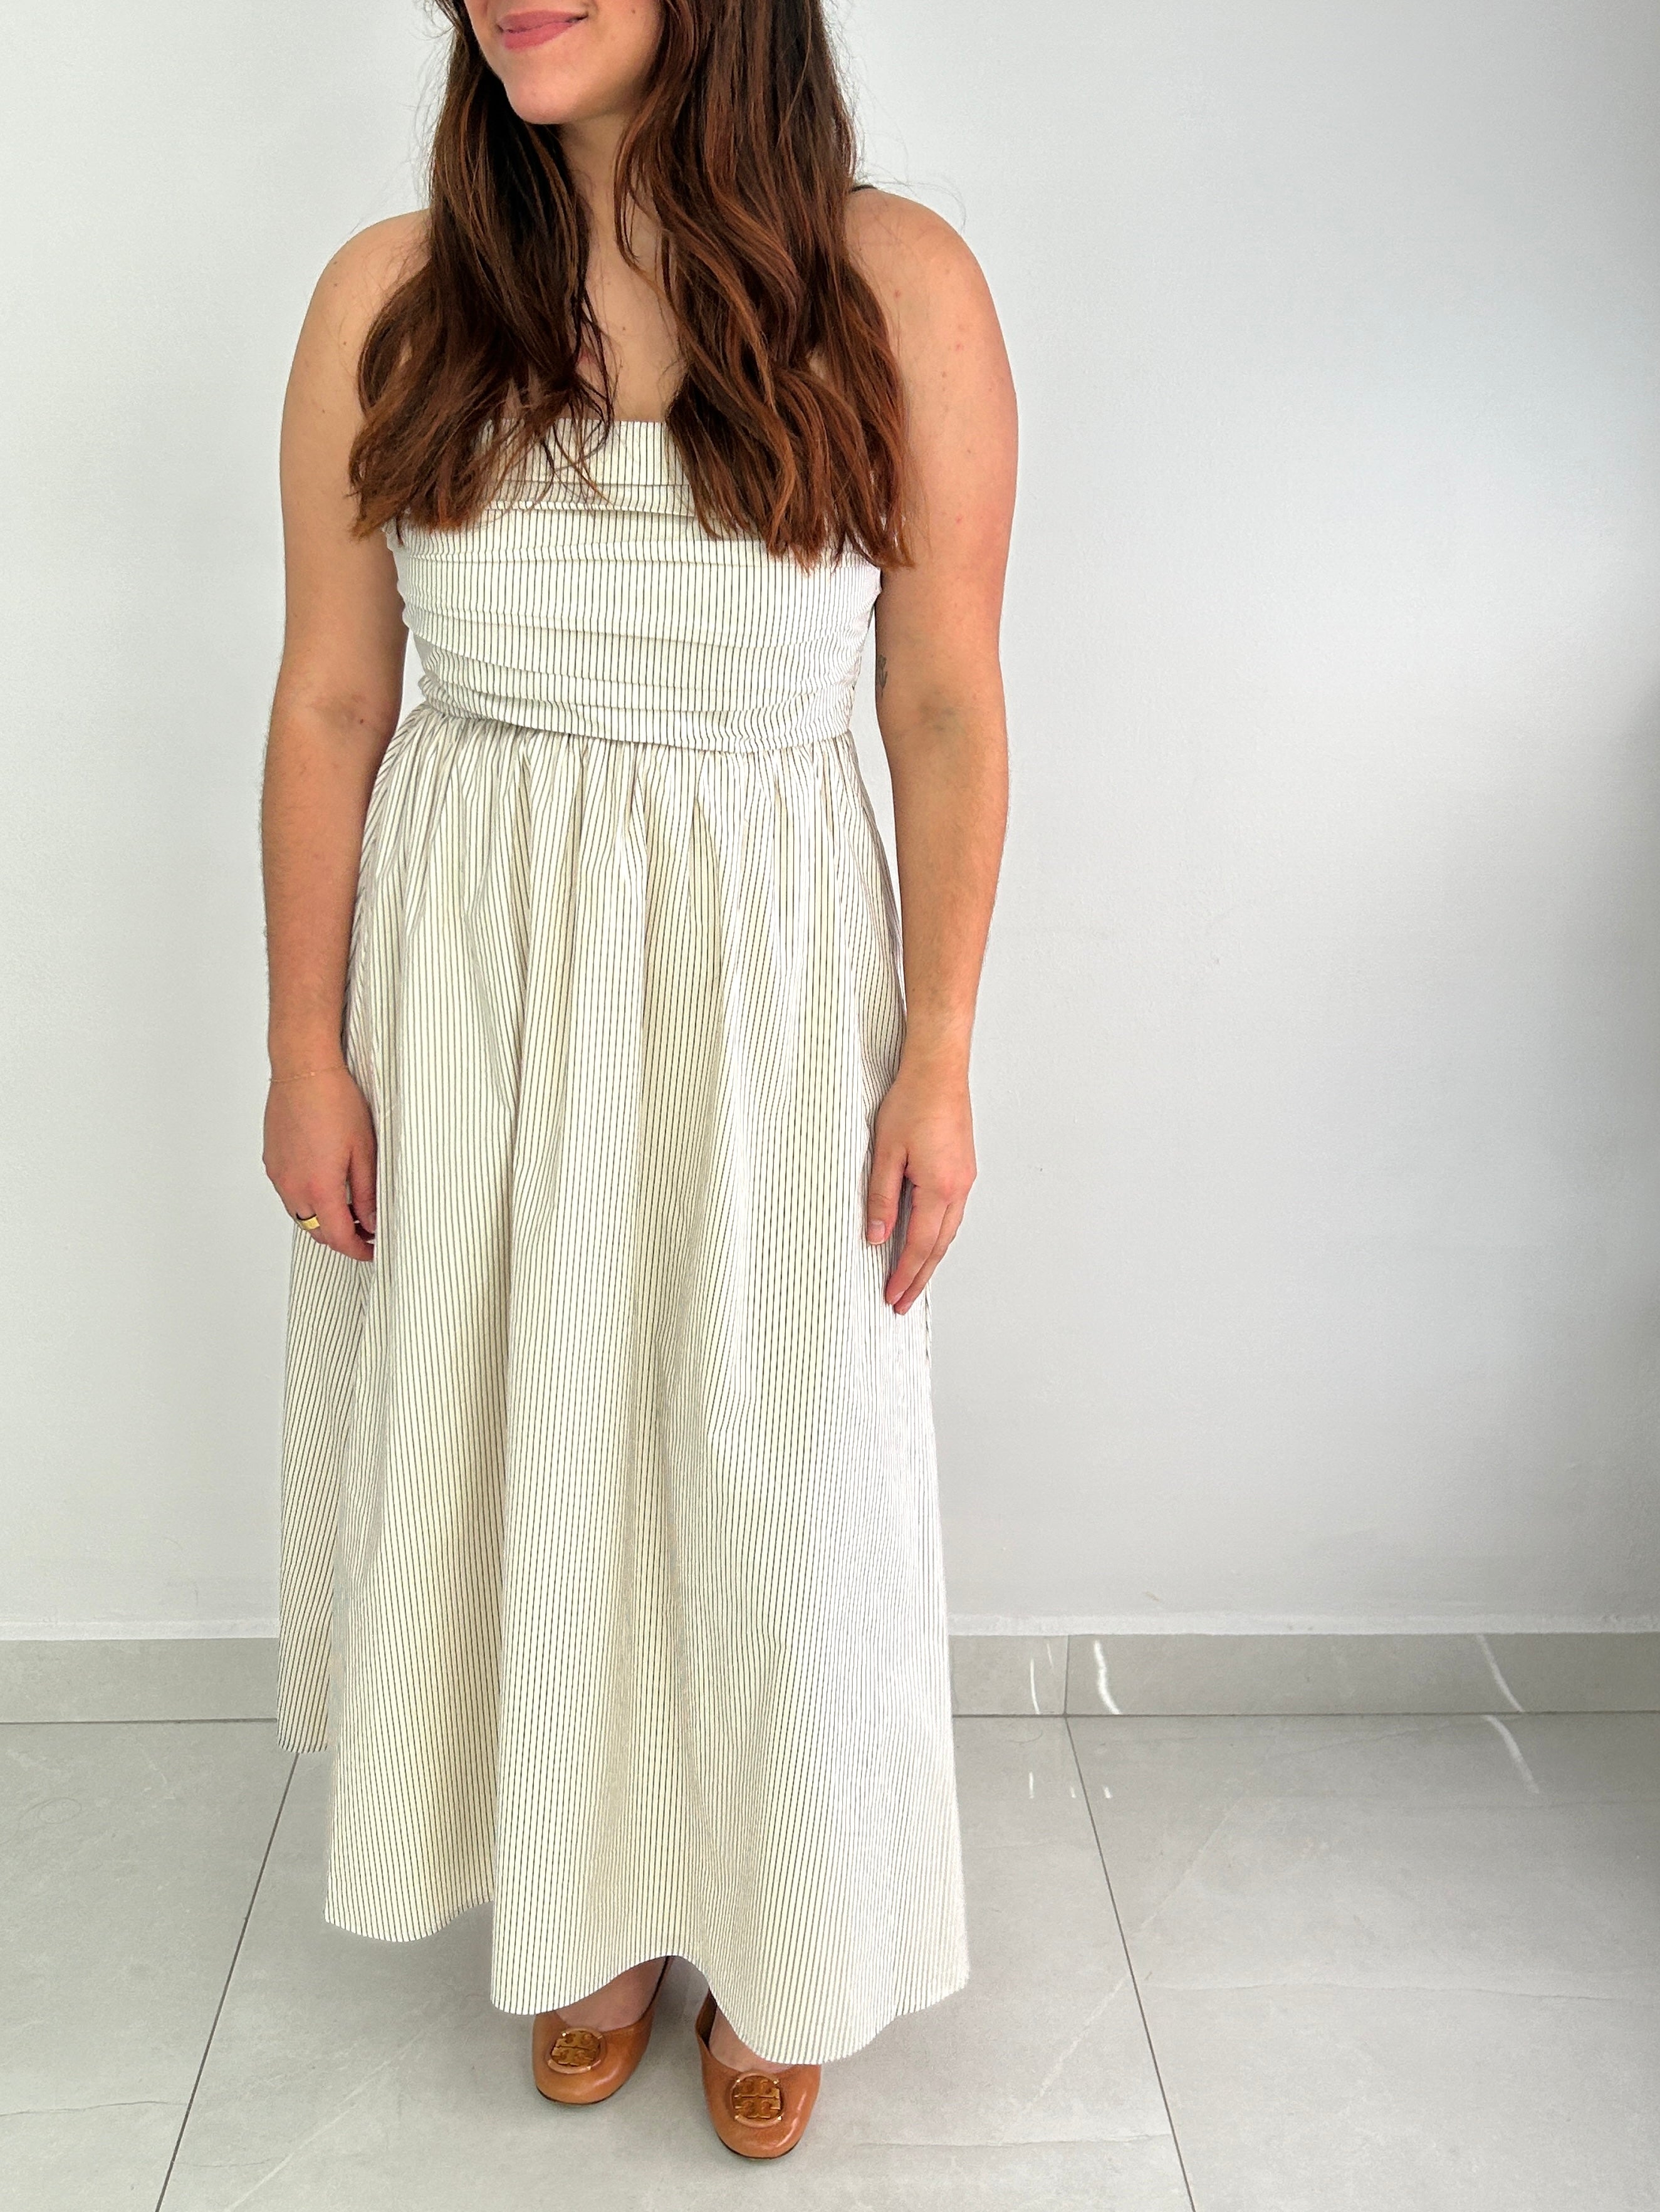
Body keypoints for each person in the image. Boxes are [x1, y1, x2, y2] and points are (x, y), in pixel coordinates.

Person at [260, 0, 1013, 2161]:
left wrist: (941, 1052)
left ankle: (768, 1921)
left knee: (770, 1469)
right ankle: (582, 1909)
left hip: (775, 985)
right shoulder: (391, 298)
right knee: (527, 1435)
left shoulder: (898, 286)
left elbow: (944, 697)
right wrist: (306, 1046)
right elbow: (329, 701)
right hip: (475, 975)